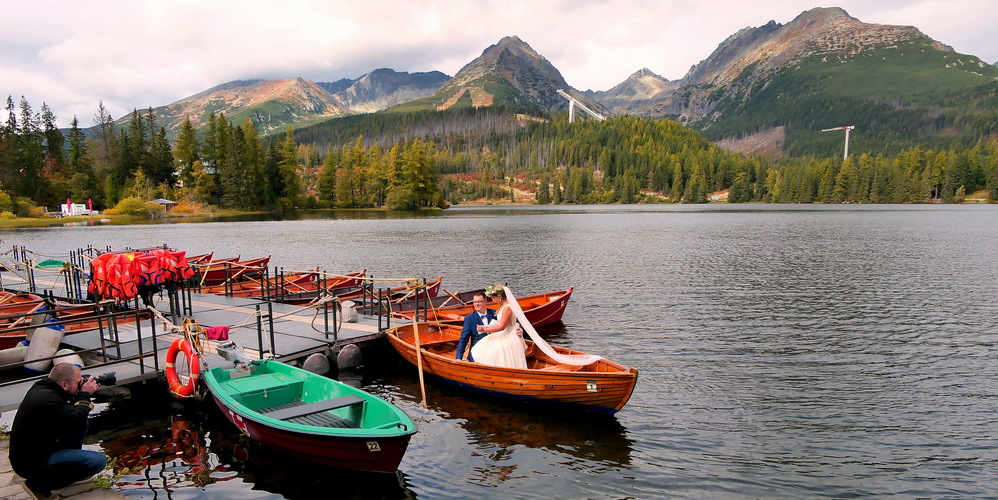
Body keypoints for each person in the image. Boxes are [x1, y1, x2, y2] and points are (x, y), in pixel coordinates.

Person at [9, 363, 108, 499]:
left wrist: (79, 389)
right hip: (32, 462)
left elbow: (74, 418)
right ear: (64, 384)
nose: (81, 383)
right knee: (98, 461)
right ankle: (37, 485)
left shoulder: (43, 387)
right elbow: (77, 415)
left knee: (81, 424)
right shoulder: (48, 400)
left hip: (35, 450)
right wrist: (85, 394)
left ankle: (70, 468)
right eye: (78, 381)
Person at [470, 285, 527, 369]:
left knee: (491, 353)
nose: (493, 300)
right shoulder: (502, 306)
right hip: (505, 334)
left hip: (509, 336)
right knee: (481, 349)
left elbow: (502, 326)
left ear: (499, 296)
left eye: (493, 298)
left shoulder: (507, 307)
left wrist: (484, 329)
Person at [455, 292, 495, 361]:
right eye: (475, 302)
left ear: (485, 301)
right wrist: (458, 358)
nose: (476, 304)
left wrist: (519, 330)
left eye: (479, 301)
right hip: (478, 350)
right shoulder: (469, 319)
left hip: (494, 347)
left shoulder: (495, 314)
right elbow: (464, 339)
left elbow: (507, 325)